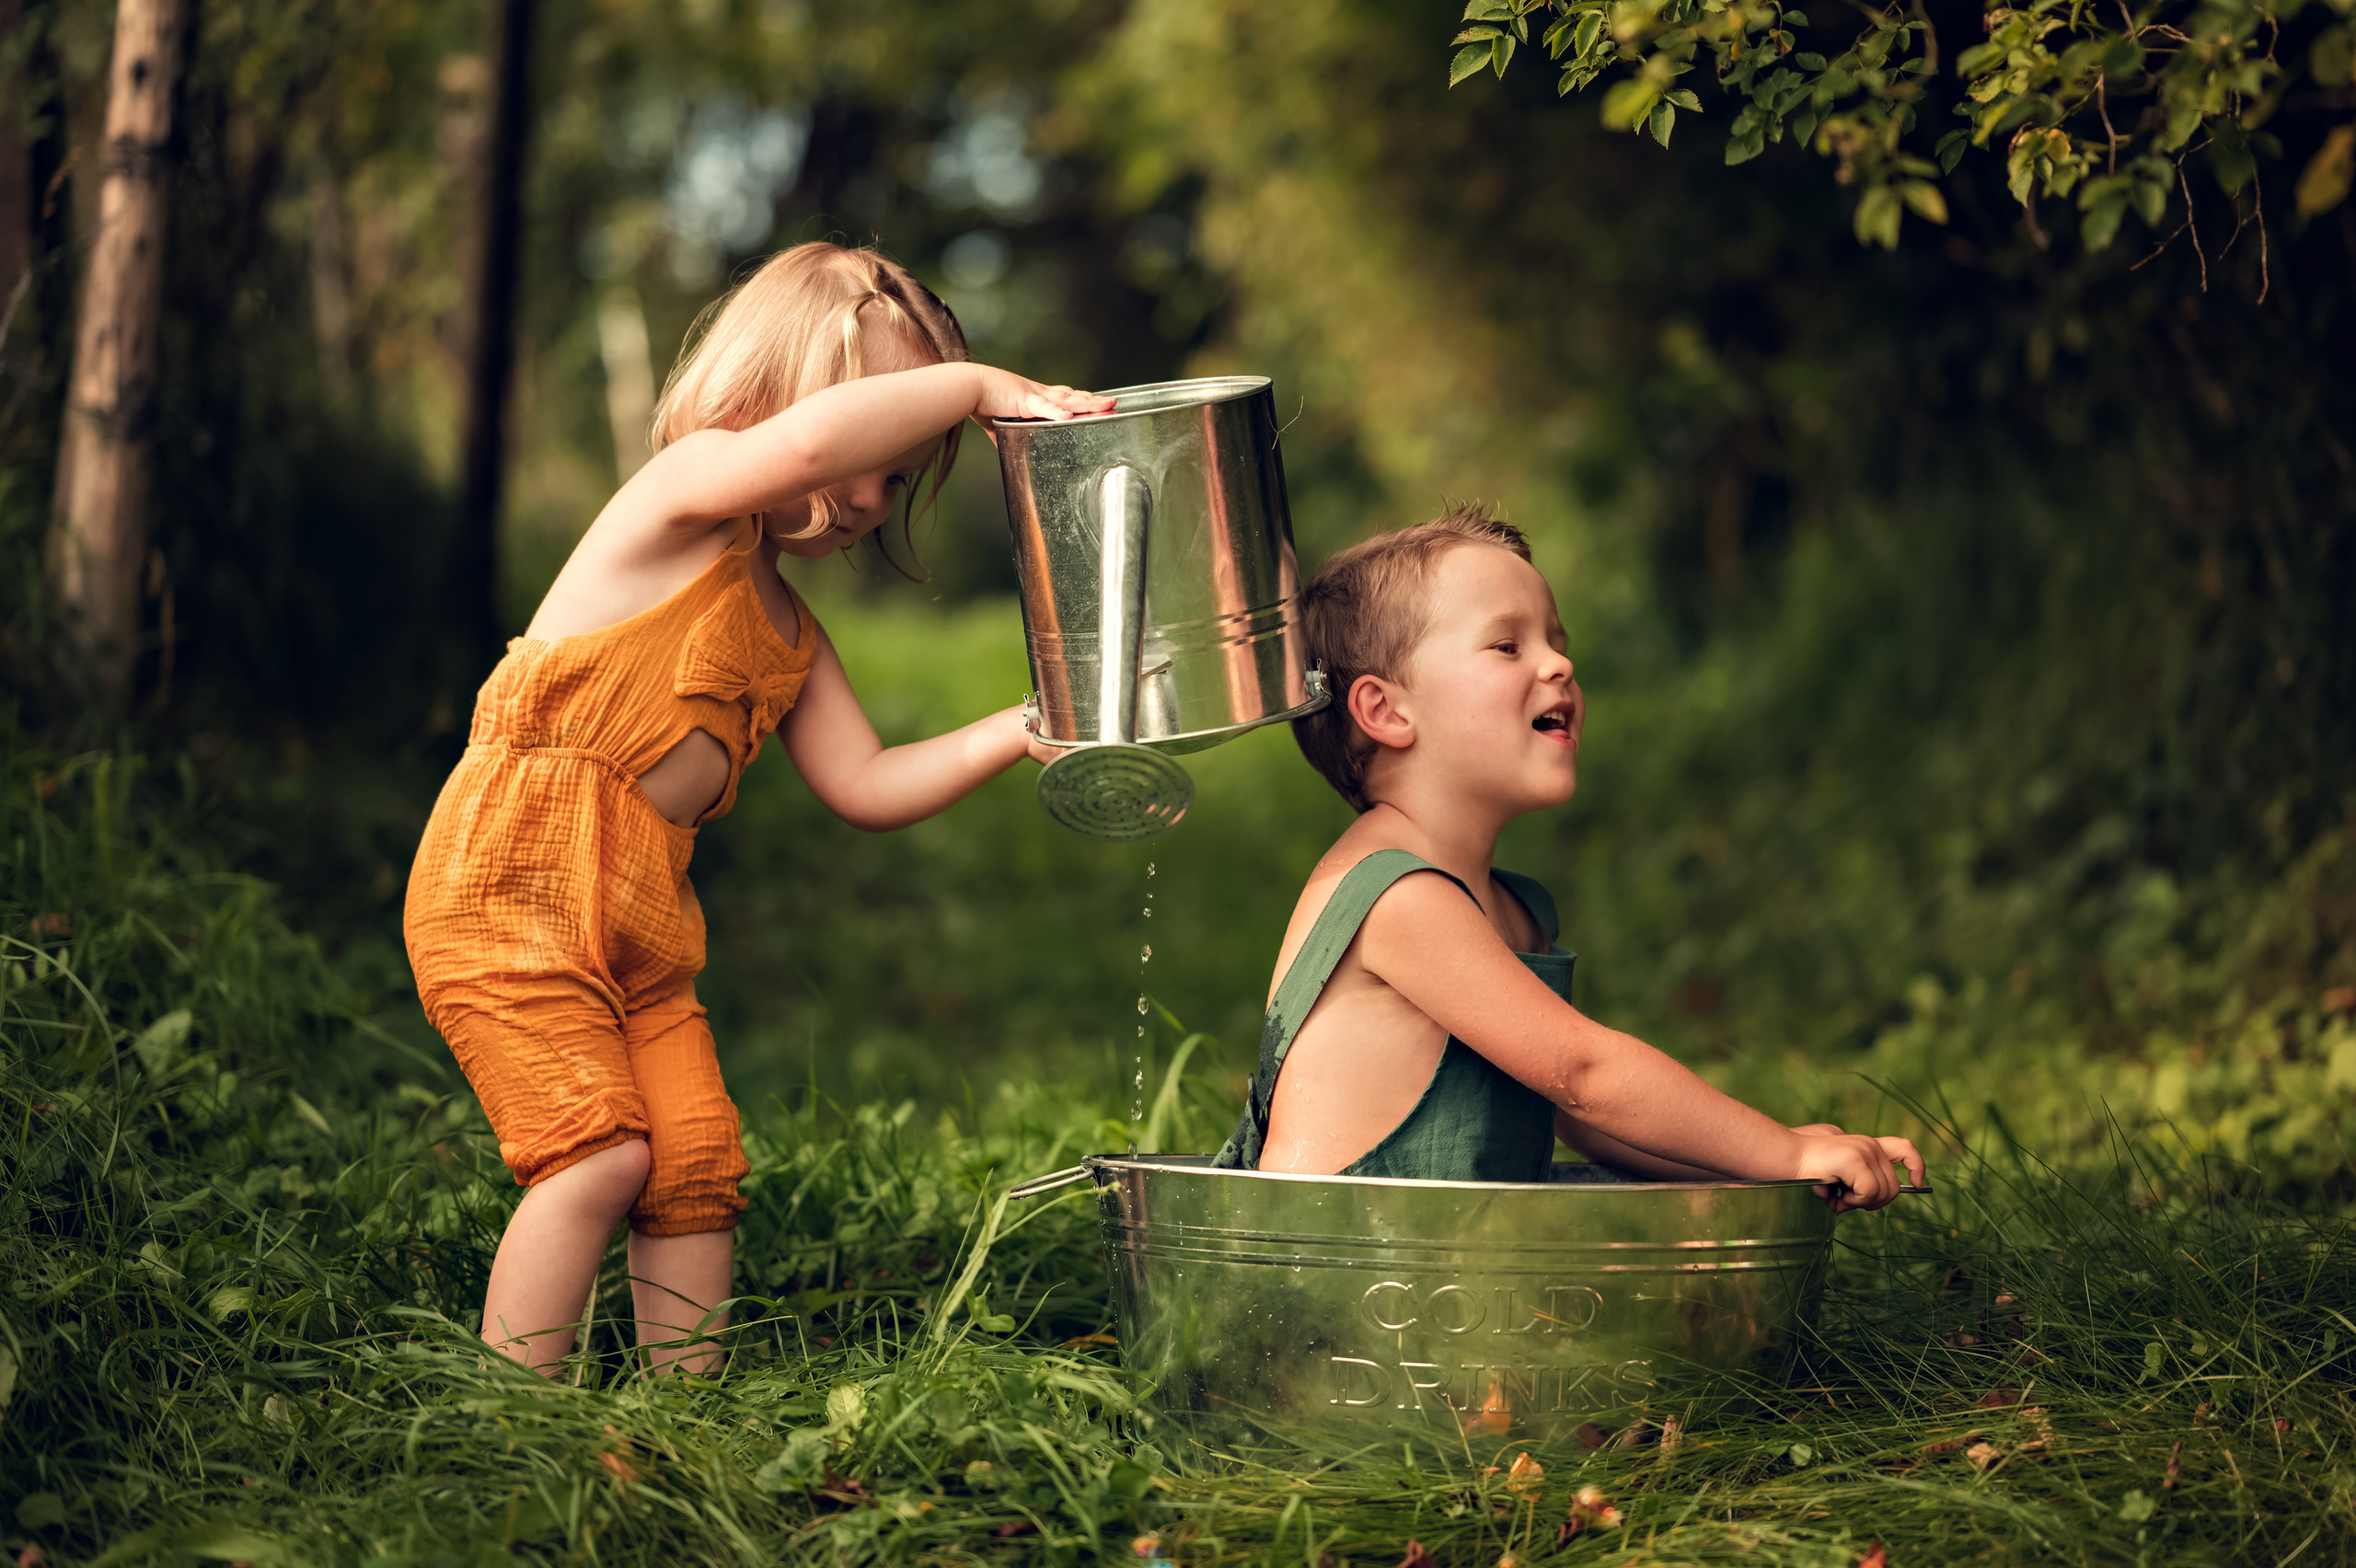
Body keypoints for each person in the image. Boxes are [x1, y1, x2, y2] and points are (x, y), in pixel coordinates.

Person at [405, 242, 1109, 1375]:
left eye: (906, 468)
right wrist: (981, 389)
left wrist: (1029, 726)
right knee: (597, 1160)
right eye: (878, 444)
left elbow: (867, 784)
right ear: (756, 397)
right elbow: (809, 446)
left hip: (640, 926)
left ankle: (691, 1414)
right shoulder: (677, 504)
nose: (877, 491)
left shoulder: (788, 631)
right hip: (507, 887)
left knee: (689, 1163)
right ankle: (507, 1426)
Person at [1214, 506, 1925, 1207]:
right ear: (1388, 712)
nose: (1561, 663)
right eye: (1507, 646)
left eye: (1555, 640)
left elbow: (1578, 1115)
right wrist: (1789, 1150)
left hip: (1424, 1274)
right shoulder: (1397, 898)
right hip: (1324, 1275)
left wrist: (1767, 1162)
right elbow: (1583, 1072)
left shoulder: (1509, 911)